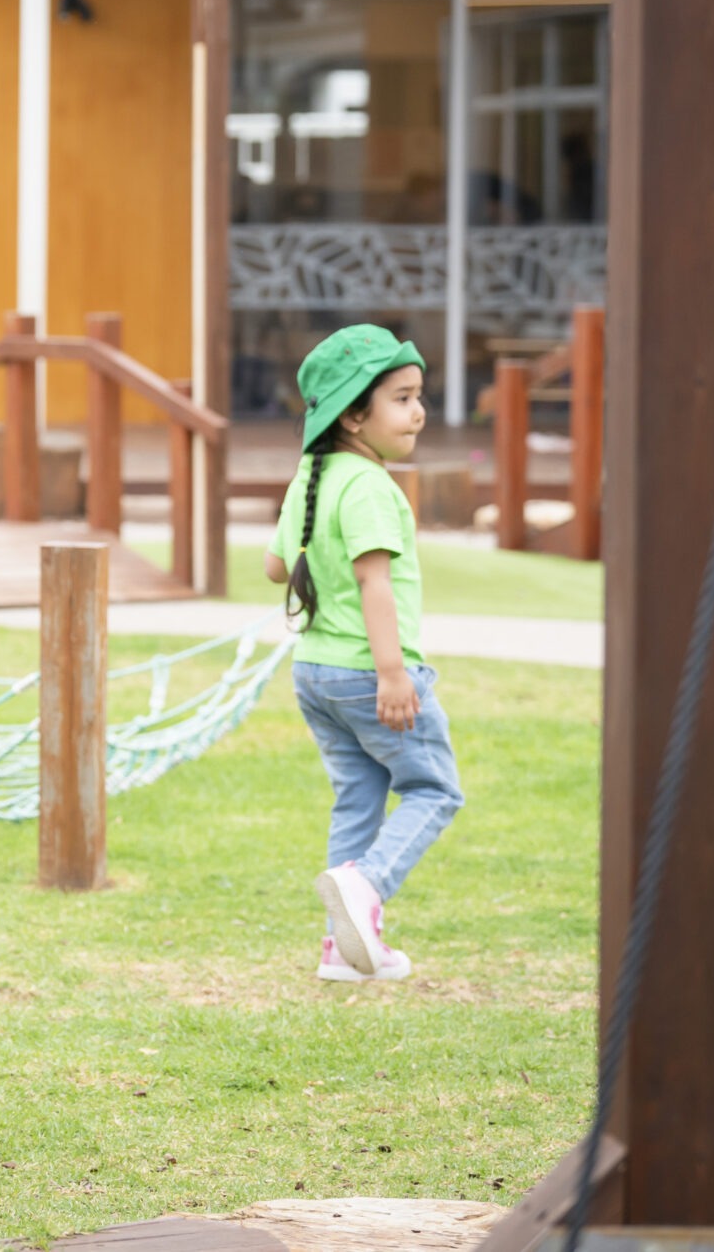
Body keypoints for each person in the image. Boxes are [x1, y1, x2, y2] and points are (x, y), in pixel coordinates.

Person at [263, 324, 465, 984]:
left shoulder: (312, 475)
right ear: (354, 415)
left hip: (314, 672)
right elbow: (375, 581)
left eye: (419, 396)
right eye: (402, 398)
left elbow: (274, 565)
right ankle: (369, 884)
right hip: (365, 673)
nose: (419, 412)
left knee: (358, 798)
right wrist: (393, 673)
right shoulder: (372, 486)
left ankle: (343, 951)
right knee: (435, 788)